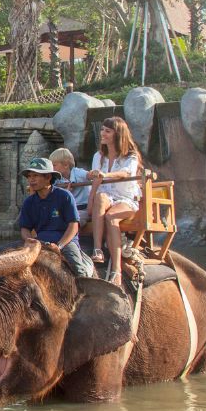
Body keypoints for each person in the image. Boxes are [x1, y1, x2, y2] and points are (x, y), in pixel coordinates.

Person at [87, 116, 142, 285]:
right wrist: (91, 199)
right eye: (102, 130)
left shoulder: (130, 157)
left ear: (118, 135)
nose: (102, 133)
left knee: (111, 217)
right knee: (101, 197)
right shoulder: (99, 156)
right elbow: (96, 181)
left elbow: (125, 173)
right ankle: (97, 249)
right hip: (105, 198)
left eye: (107, 131)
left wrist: (106, 175)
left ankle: (116, 270)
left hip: (125, 199)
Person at [17, 157, 94, 278]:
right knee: (3, 253)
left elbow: (73, 226)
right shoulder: (29, 202)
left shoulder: (64, 196)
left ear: (48, 177)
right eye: (29, 176)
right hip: (40, 241)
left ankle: (87, 291)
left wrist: (60, 246)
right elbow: (25, 228)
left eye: (35, 176)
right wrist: (30, 241)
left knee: (79, 271)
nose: (31, 180)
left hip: (65, 242)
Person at [49, 147, 91, 224]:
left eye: (54, 165)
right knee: (52, 217)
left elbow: (89, 175)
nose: (52, 168)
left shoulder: (78, 173)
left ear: (65, 165)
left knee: (70, 220)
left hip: (81, 209)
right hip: (64, 209)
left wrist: (93, 173)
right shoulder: (56, 179)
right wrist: (66, 193)